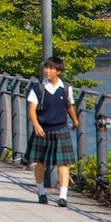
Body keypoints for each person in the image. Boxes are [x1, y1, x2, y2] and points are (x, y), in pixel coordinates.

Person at [26, 56, 80, 207]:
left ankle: (63, 196)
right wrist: (36, 125)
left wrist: (75, 121)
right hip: (43, 130)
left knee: (63, 164)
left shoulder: (66, 88)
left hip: (61, 128)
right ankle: (41, 192)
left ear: (59, 71)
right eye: (46, 68)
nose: (47, 71)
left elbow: (69, 106)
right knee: (40, 164)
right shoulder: (38, 88)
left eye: (51, 68)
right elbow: (31, 108)